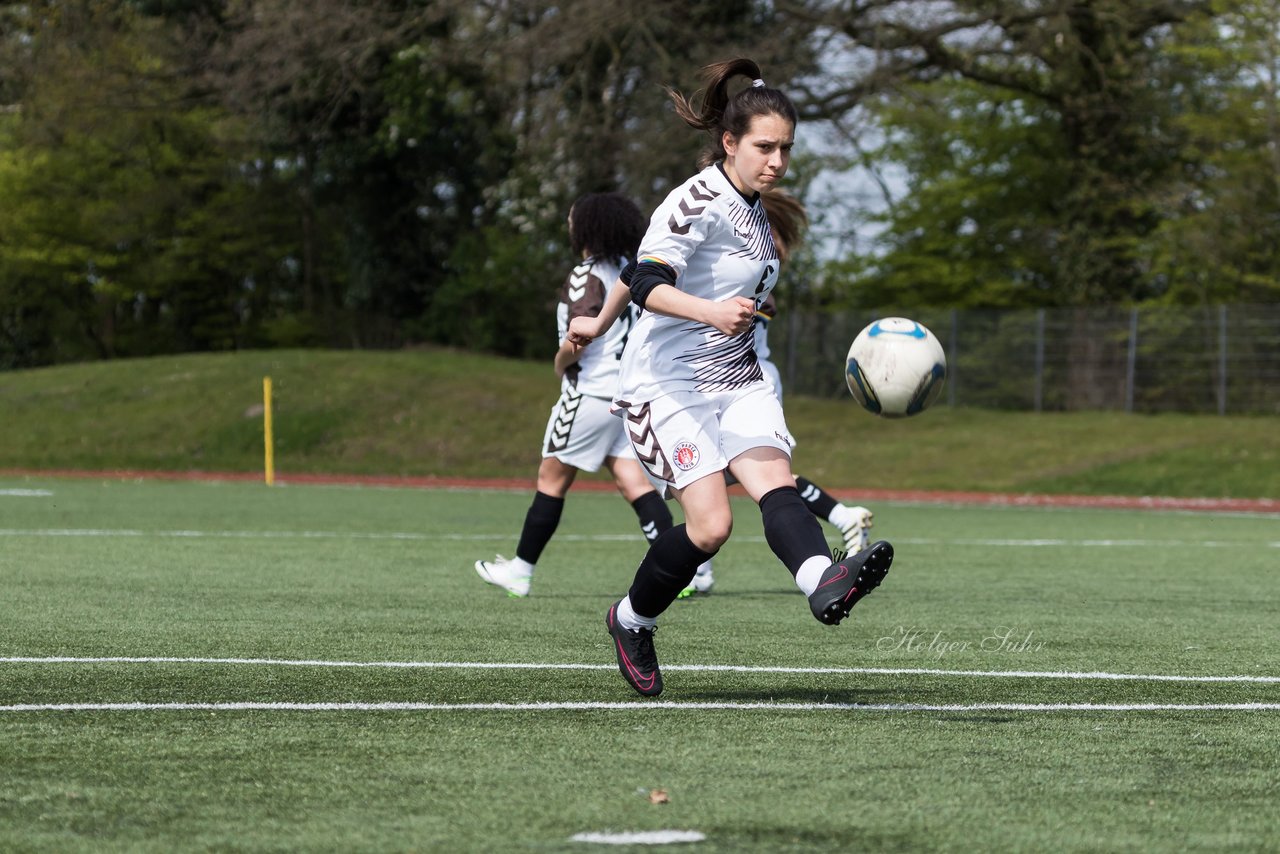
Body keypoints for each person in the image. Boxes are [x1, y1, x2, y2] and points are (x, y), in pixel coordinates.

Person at [567, 59, 893, 697]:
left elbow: (645, 274)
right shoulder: (697, 200)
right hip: (666, 385)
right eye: (764, 147)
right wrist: (698, 312)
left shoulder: (757, 217)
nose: (776, 161)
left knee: (775, 482)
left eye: (786, 149)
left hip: (737, 377)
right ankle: (630, 621)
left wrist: (610, 320)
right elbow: (649, 278)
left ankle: (824, 582)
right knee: (711, 527)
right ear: (730, 143)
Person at [473, 192, 675, 598]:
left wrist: (560, 361)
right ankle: (683, 572)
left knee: (552, 479)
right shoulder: (631, 269)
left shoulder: (587, 275)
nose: (568, 223)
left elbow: (579, 336)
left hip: (591, 394)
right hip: (628, 396)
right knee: (634, 483)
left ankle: (521, 571)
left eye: (572, 218)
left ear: (587, 227)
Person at [678, 190, 873, 598]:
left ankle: (700, 570)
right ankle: (841, 517)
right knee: (739, 476)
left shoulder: (752, 255)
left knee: (735, 475)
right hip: (717, 376)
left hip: (742, 376)